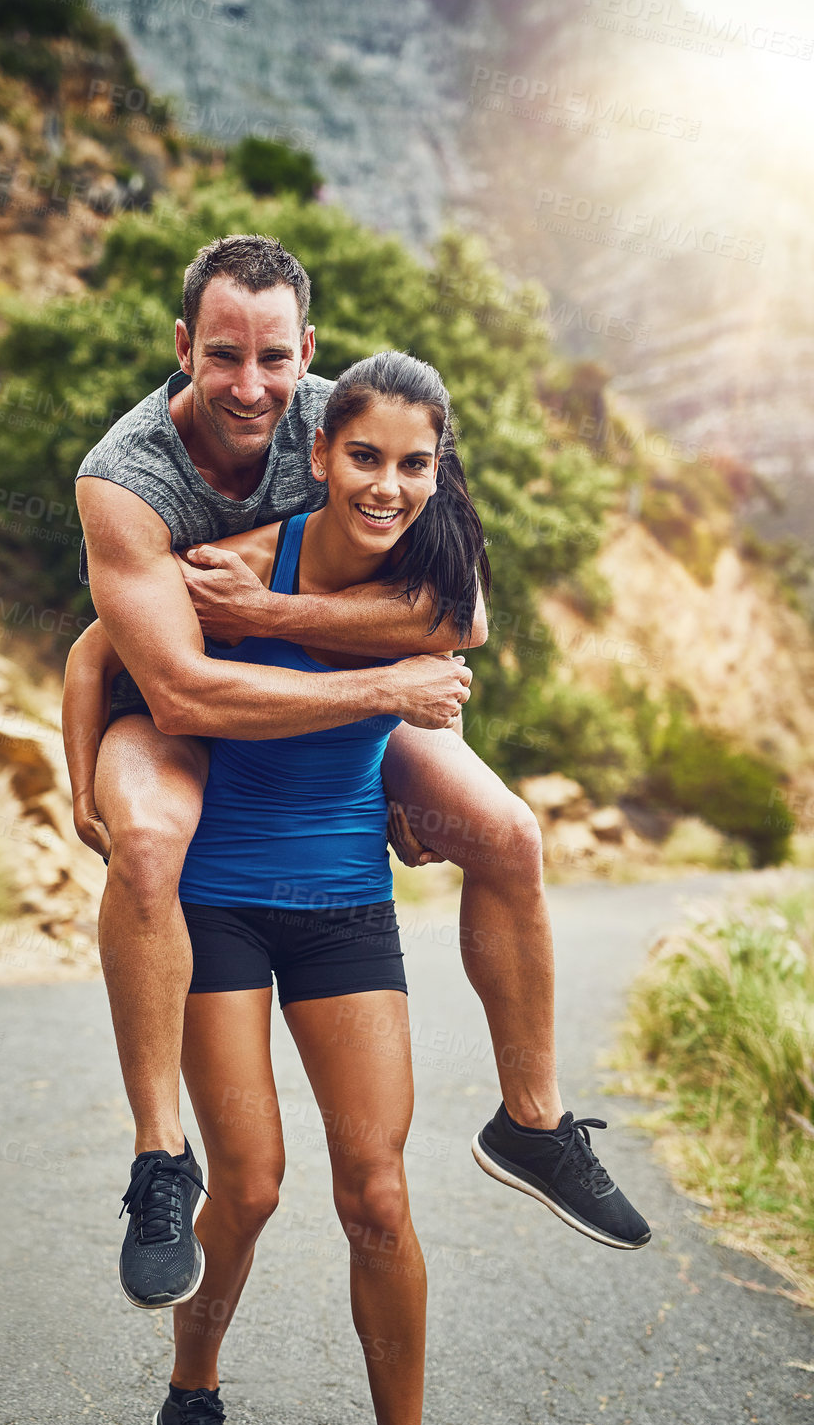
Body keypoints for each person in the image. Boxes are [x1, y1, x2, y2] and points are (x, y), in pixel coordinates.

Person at [69, 234, 649, 1311]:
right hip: (180, 698)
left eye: (276, 358)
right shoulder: (127, 476)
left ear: (309, 353)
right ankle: (160, 1157)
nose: (253, 387)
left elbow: (461, 615)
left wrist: (289, 622)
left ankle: (529, 1122)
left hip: (325, 671)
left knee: (508, 834)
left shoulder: (372, 420)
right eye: (225, 356)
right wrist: (383, 691)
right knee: (148, 840)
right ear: (184, 345)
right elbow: (170, 685)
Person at [65, 352, 527, 1425]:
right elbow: (97, 651)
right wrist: (80, 786)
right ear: (317, 451)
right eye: (362, 458)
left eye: (411, 465)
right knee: (254, 1185)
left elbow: (460, 634)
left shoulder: (431, 572)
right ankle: (193, 1392)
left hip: (345, 910)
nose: (383, 484)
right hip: (218, 900)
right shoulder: (225, 564)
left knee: (376, 1196)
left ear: (436, 473)